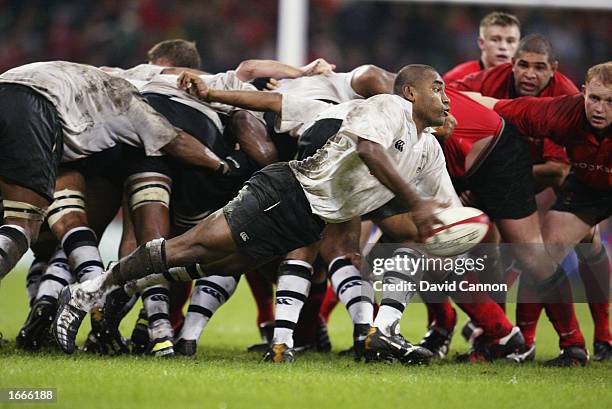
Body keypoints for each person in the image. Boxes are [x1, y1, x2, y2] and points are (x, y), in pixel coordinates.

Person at [53, 65, 453, 365]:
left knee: (213, 263)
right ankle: (91, 289)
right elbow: (367, 149)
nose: (447, 97)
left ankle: (385, 330)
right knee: (191, 247)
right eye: (437, 88)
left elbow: (450, 212)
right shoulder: (386, 106)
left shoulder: (429, 151)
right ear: (411, 92)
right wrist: (213, 92)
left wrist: (449, 232)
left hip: (309, 220)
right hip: (286, 193)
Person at [465, 60, 612, 365]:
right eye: (595, 98)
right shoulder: (562, 112)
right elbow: (494, 105)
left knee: (587, 242)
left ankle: (604, 335)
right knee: (542, 254)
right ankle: (533, 343)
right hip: (587, 186)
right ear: (583, 92)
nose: (600, 108)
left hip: (588, 180)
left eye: (611, 102)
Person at [443, 11, 520, 83]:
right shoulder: (456, 78)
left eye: (510, 41)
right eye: (495, 40)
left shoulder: (523, 81)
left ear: (518, 45)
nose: (503, 47)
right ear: (481, 43)